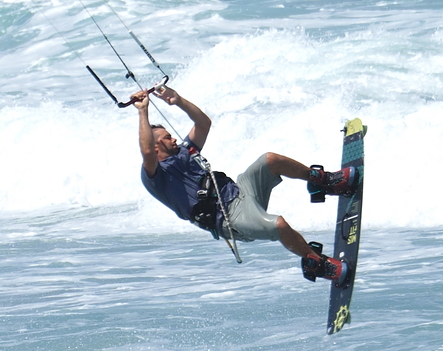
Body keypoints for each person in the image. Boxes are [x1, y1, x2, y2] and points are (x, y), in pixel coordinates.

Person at [135, 85, 357, 283]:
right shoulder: (156, 177)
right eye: (166, 138)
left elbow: (203, 123)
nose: (173, 138)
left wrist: (179, 100)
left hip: (240, 191)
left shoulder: (184, 152)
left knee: (270, 160)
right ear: (156, 147)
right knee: (278, 224)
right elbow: (145, 151)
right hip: (230, 219)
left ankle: (325, 182)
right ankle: (316, 263)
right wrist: (143, 111)